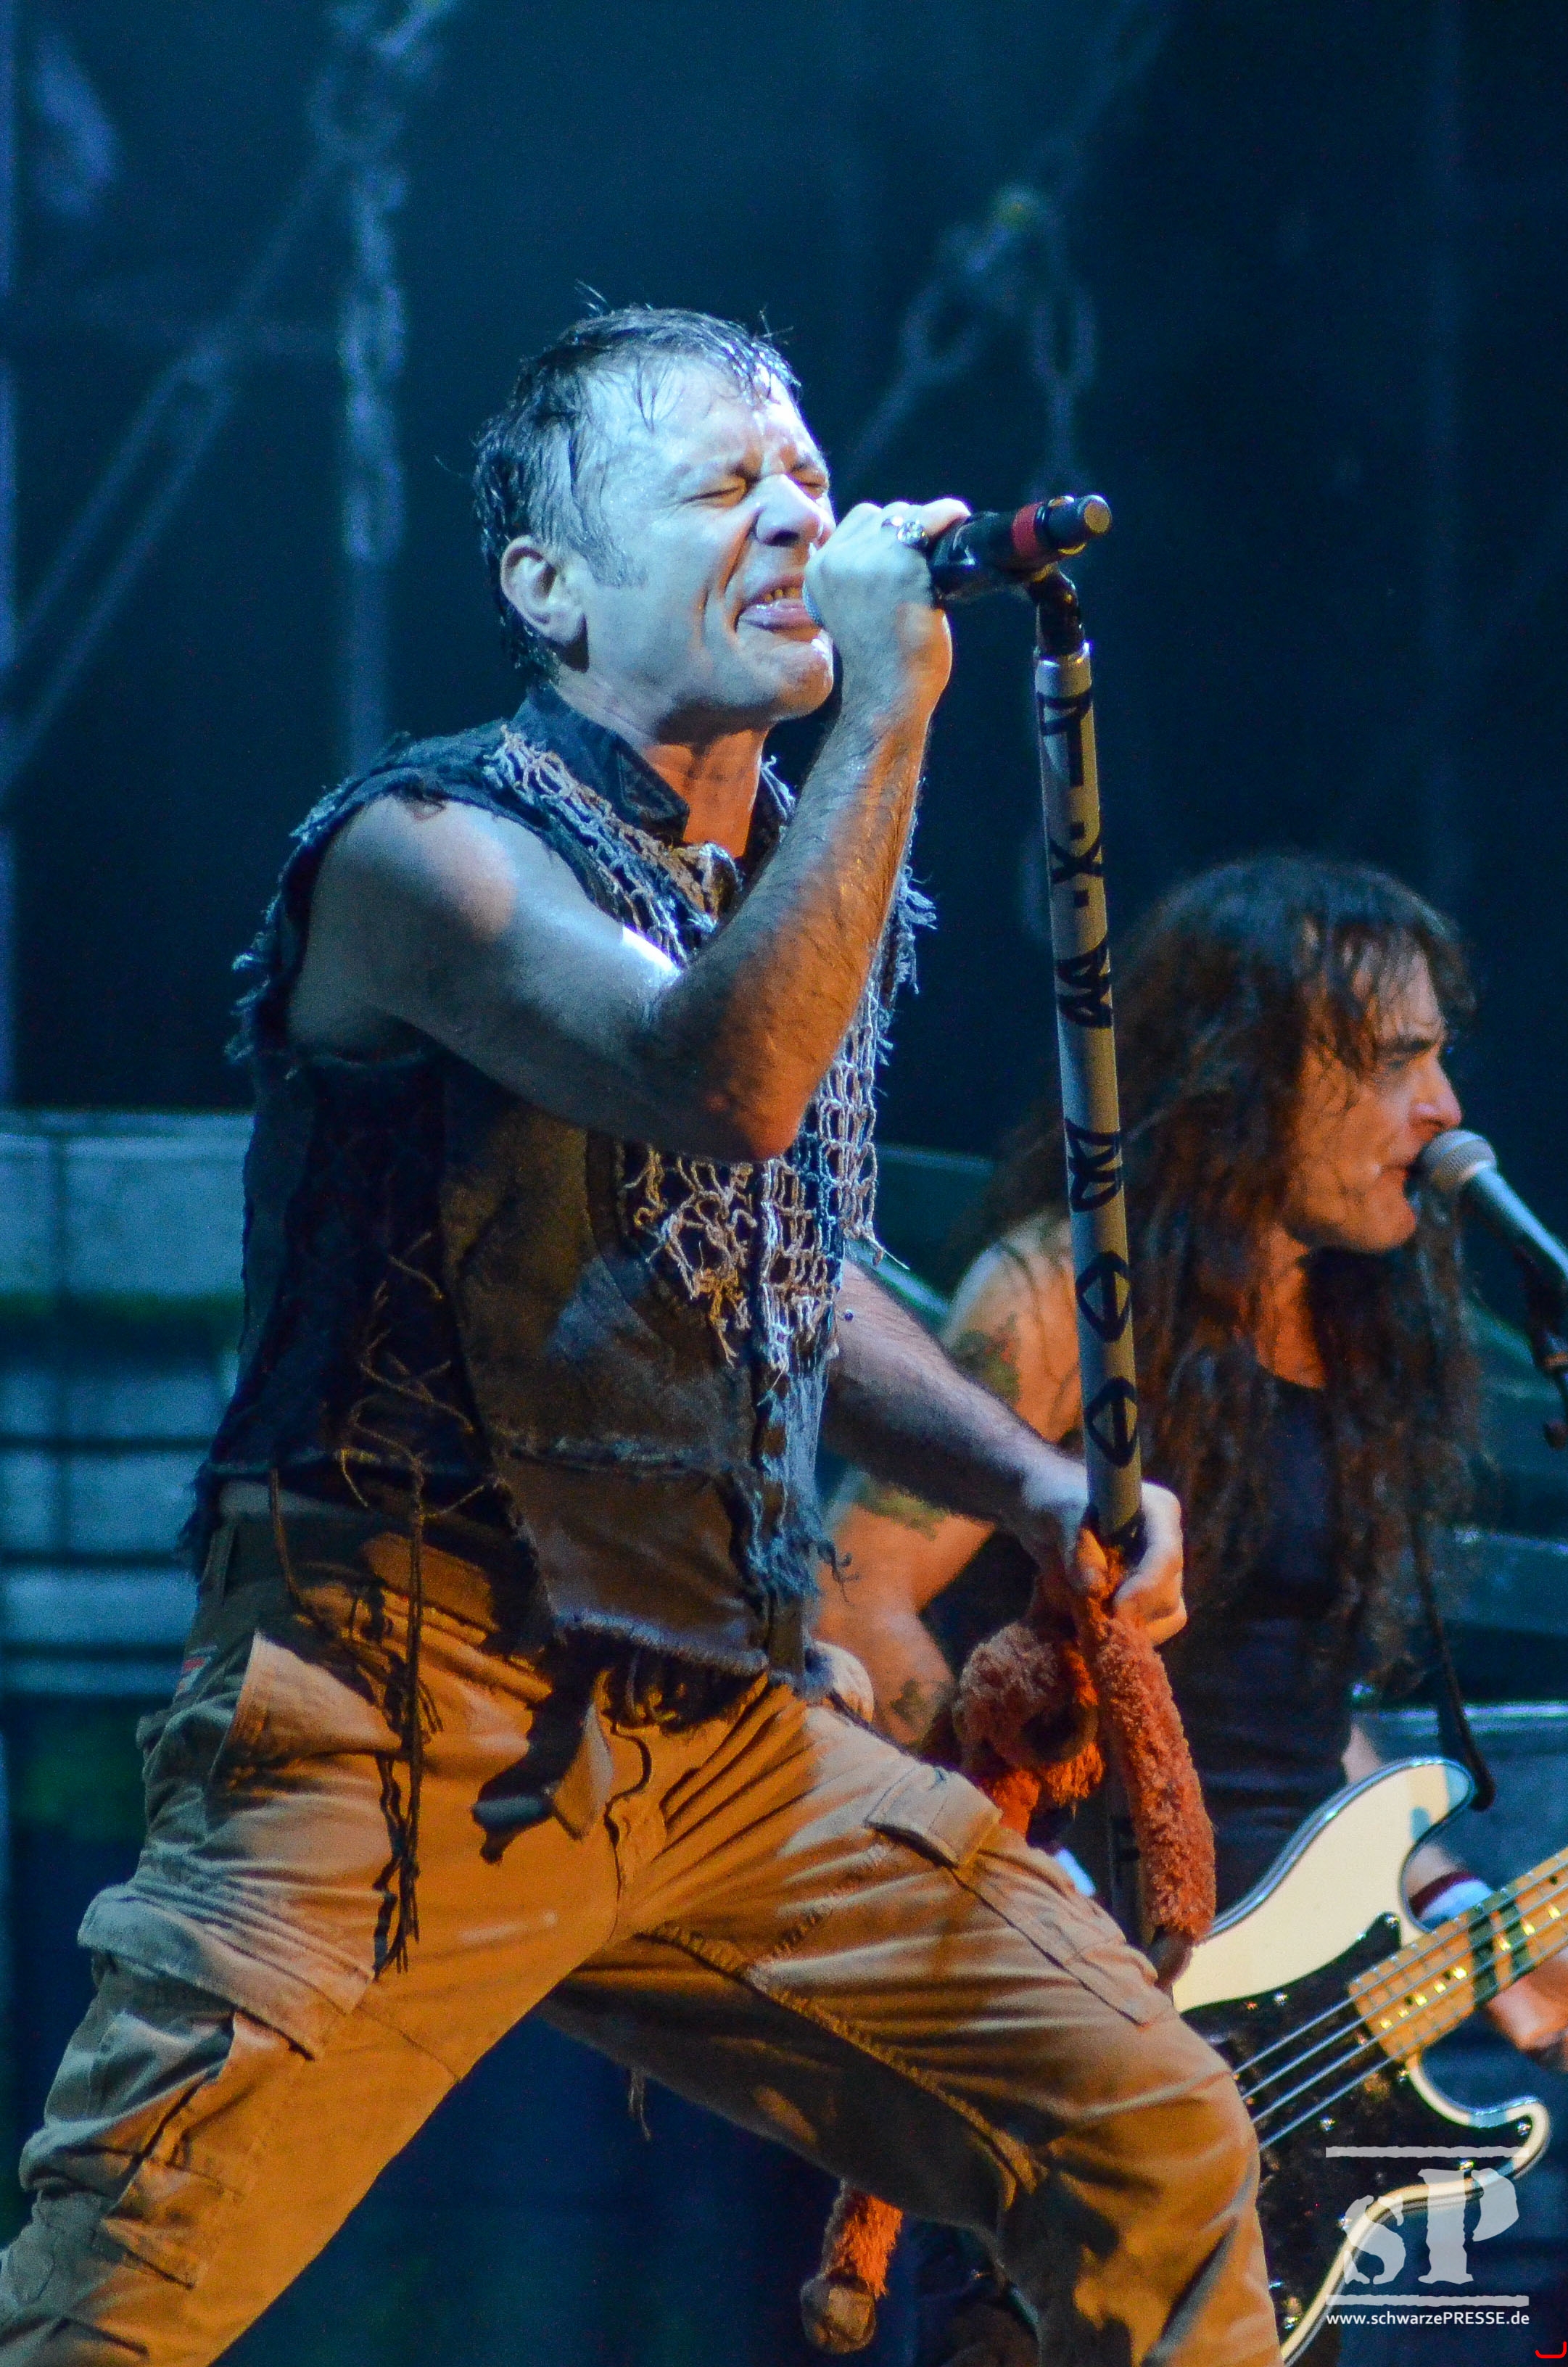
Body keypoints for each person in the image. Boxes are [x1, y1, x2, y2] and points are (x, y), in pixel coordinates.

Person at [0, 310, 1278, 2367]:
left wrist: (1039, 1486)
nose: (796, 520)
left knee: (1153, 2134)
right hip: (403, 1717)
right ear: (550, 586)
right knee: (109, 2315)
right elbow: (724, 1087)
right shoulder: (422, 860)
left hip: (720, 1729)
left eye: (807, 479)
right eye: (720, 487)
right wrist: (888, 715)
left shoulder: (769, 880)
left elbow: (774, 1263)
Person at [820, 853, 1568, 2363]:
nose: (1442, 1111)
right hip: (1094, 2001)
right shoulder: (1062, 1301)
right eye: (1394, 1063)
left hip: (1301, 2043)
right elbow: (856, 1594)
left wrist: (1447, 1901)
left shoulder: (1359, 1334)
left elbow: (1292, 1704)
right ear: (1244, 1079)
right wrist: (1027, 1904)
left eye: (1440, 1057)